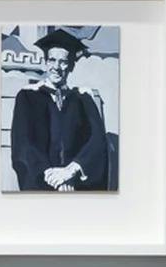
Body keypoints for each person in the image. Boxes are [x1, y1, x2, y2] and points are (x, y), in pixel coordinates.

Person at [6, 27, 113, 195]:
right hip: (41, 184)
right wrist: (51, 175)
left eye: (63, 62)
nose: (57, 67)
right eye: (52, 60)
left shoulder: (83, 99)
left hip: (76, 184)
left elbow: (97, 141)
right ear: (46, 63)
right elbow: (23, 144)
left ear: (71, 66)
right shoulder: (28, 97)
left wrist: (71, 171)